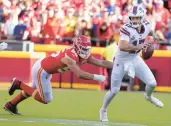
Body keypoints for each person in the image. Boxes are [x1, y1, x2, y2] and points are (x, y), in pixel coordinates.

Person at [4, 35, 113, 115]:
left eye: (87, 49)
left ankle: (11, 105)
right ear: (77, 47)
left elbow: (102, 62)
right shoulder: (71, 56)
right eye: (83, 49)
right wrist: (97, 77)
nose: (85, 52)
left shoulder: (81, 54)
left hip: (45, 69)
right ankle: (18, 84)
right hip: (42, 70)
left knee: (31, 90)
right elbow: (80, 74)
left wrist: (119, 66)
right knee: (46, 99)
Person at [99, 5, 164, 122]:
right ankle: (103, 110)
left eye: (137, 18)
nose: (135, 20)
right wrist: (138, 46)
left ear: (141, 18)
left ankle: (148, 97)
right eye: (133, 18)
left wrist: (154, 36)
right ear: (130, 18)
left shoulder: (146, 25)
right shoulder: (126, 28)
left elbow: (150, 30)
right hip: (121, 60)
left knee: (152, 83)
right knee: (114, 90)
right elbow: (123, 46)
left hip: (134, 58)